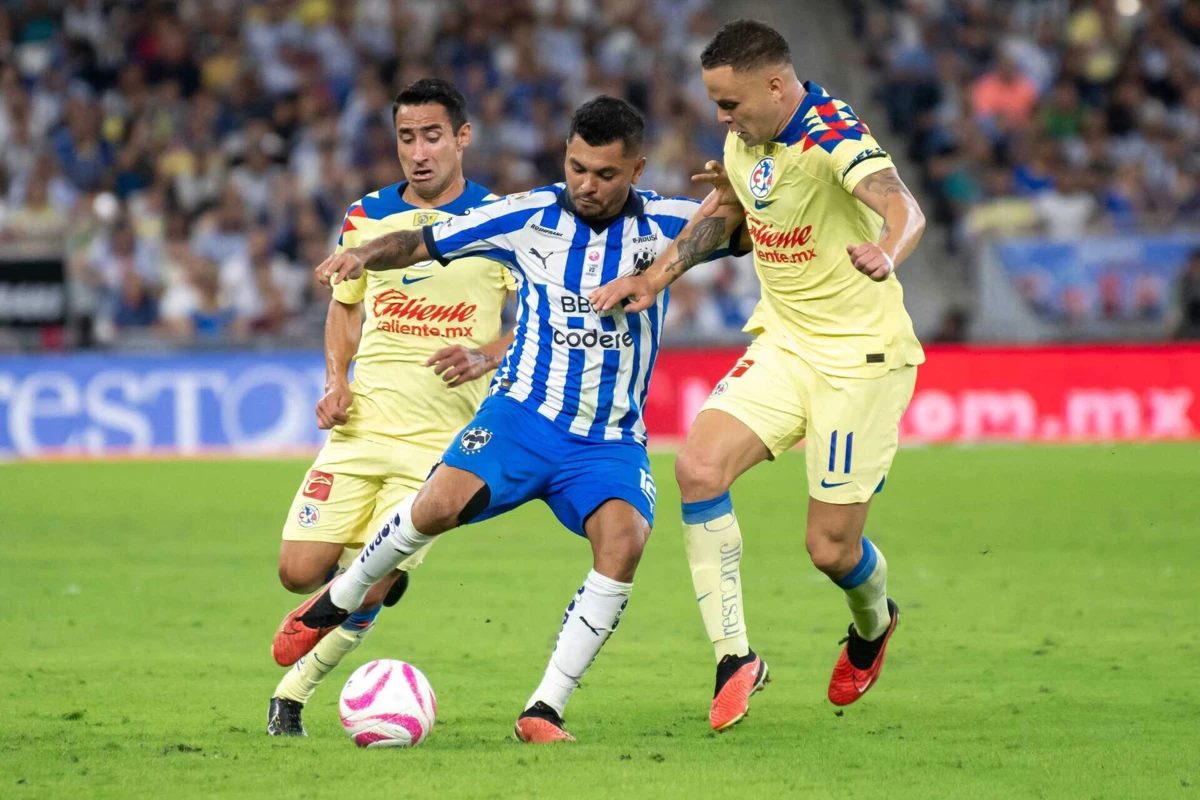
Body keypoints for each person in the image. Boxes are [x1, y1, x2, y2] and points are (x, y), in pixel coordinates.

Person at [274, 96, 746, 743]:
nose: (586, 184)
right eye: (577, 167)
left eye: (605, 175)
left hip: (607, 439)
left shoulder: (667, 222)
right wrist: (363, 258)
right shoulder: (529, 214)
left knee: (625, 542)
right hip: (522, 416)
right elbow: (421, 239)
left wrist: (734, 201)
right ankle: (337, 598)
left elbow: (740, 238)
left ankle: (543, 709)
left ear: (636, 170)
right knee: (437, 504)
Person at [591, 19, 927, 732]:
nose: (722, 118)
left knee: (829, 548)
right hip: (783, 344)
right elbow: (734, 216)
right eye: (717, 104)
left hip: (858, 358)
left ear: (776, 85)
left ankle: (873, 624)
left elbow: (904, 207)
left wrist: (888, 253)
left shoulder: (832, 133)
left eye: (731, 103)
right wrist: (655, 276)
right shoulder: (747, 138)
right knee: (698, 469)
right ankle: (734, 658)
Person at [267, 78, 517, 737]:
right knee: (299, 572)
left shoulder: (501, 221)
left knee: (368, 585)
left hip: (438, 449)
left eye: (432, 135)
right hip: (359, 429)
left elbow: (539, 325)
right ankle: (374, 587)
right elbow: (344, 309)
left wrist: (486, 355)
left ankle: (291, 696)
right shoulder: (366, 217)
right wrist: (334, 380)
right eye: (407, 137)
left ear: (463, 137)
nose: (418, 150)